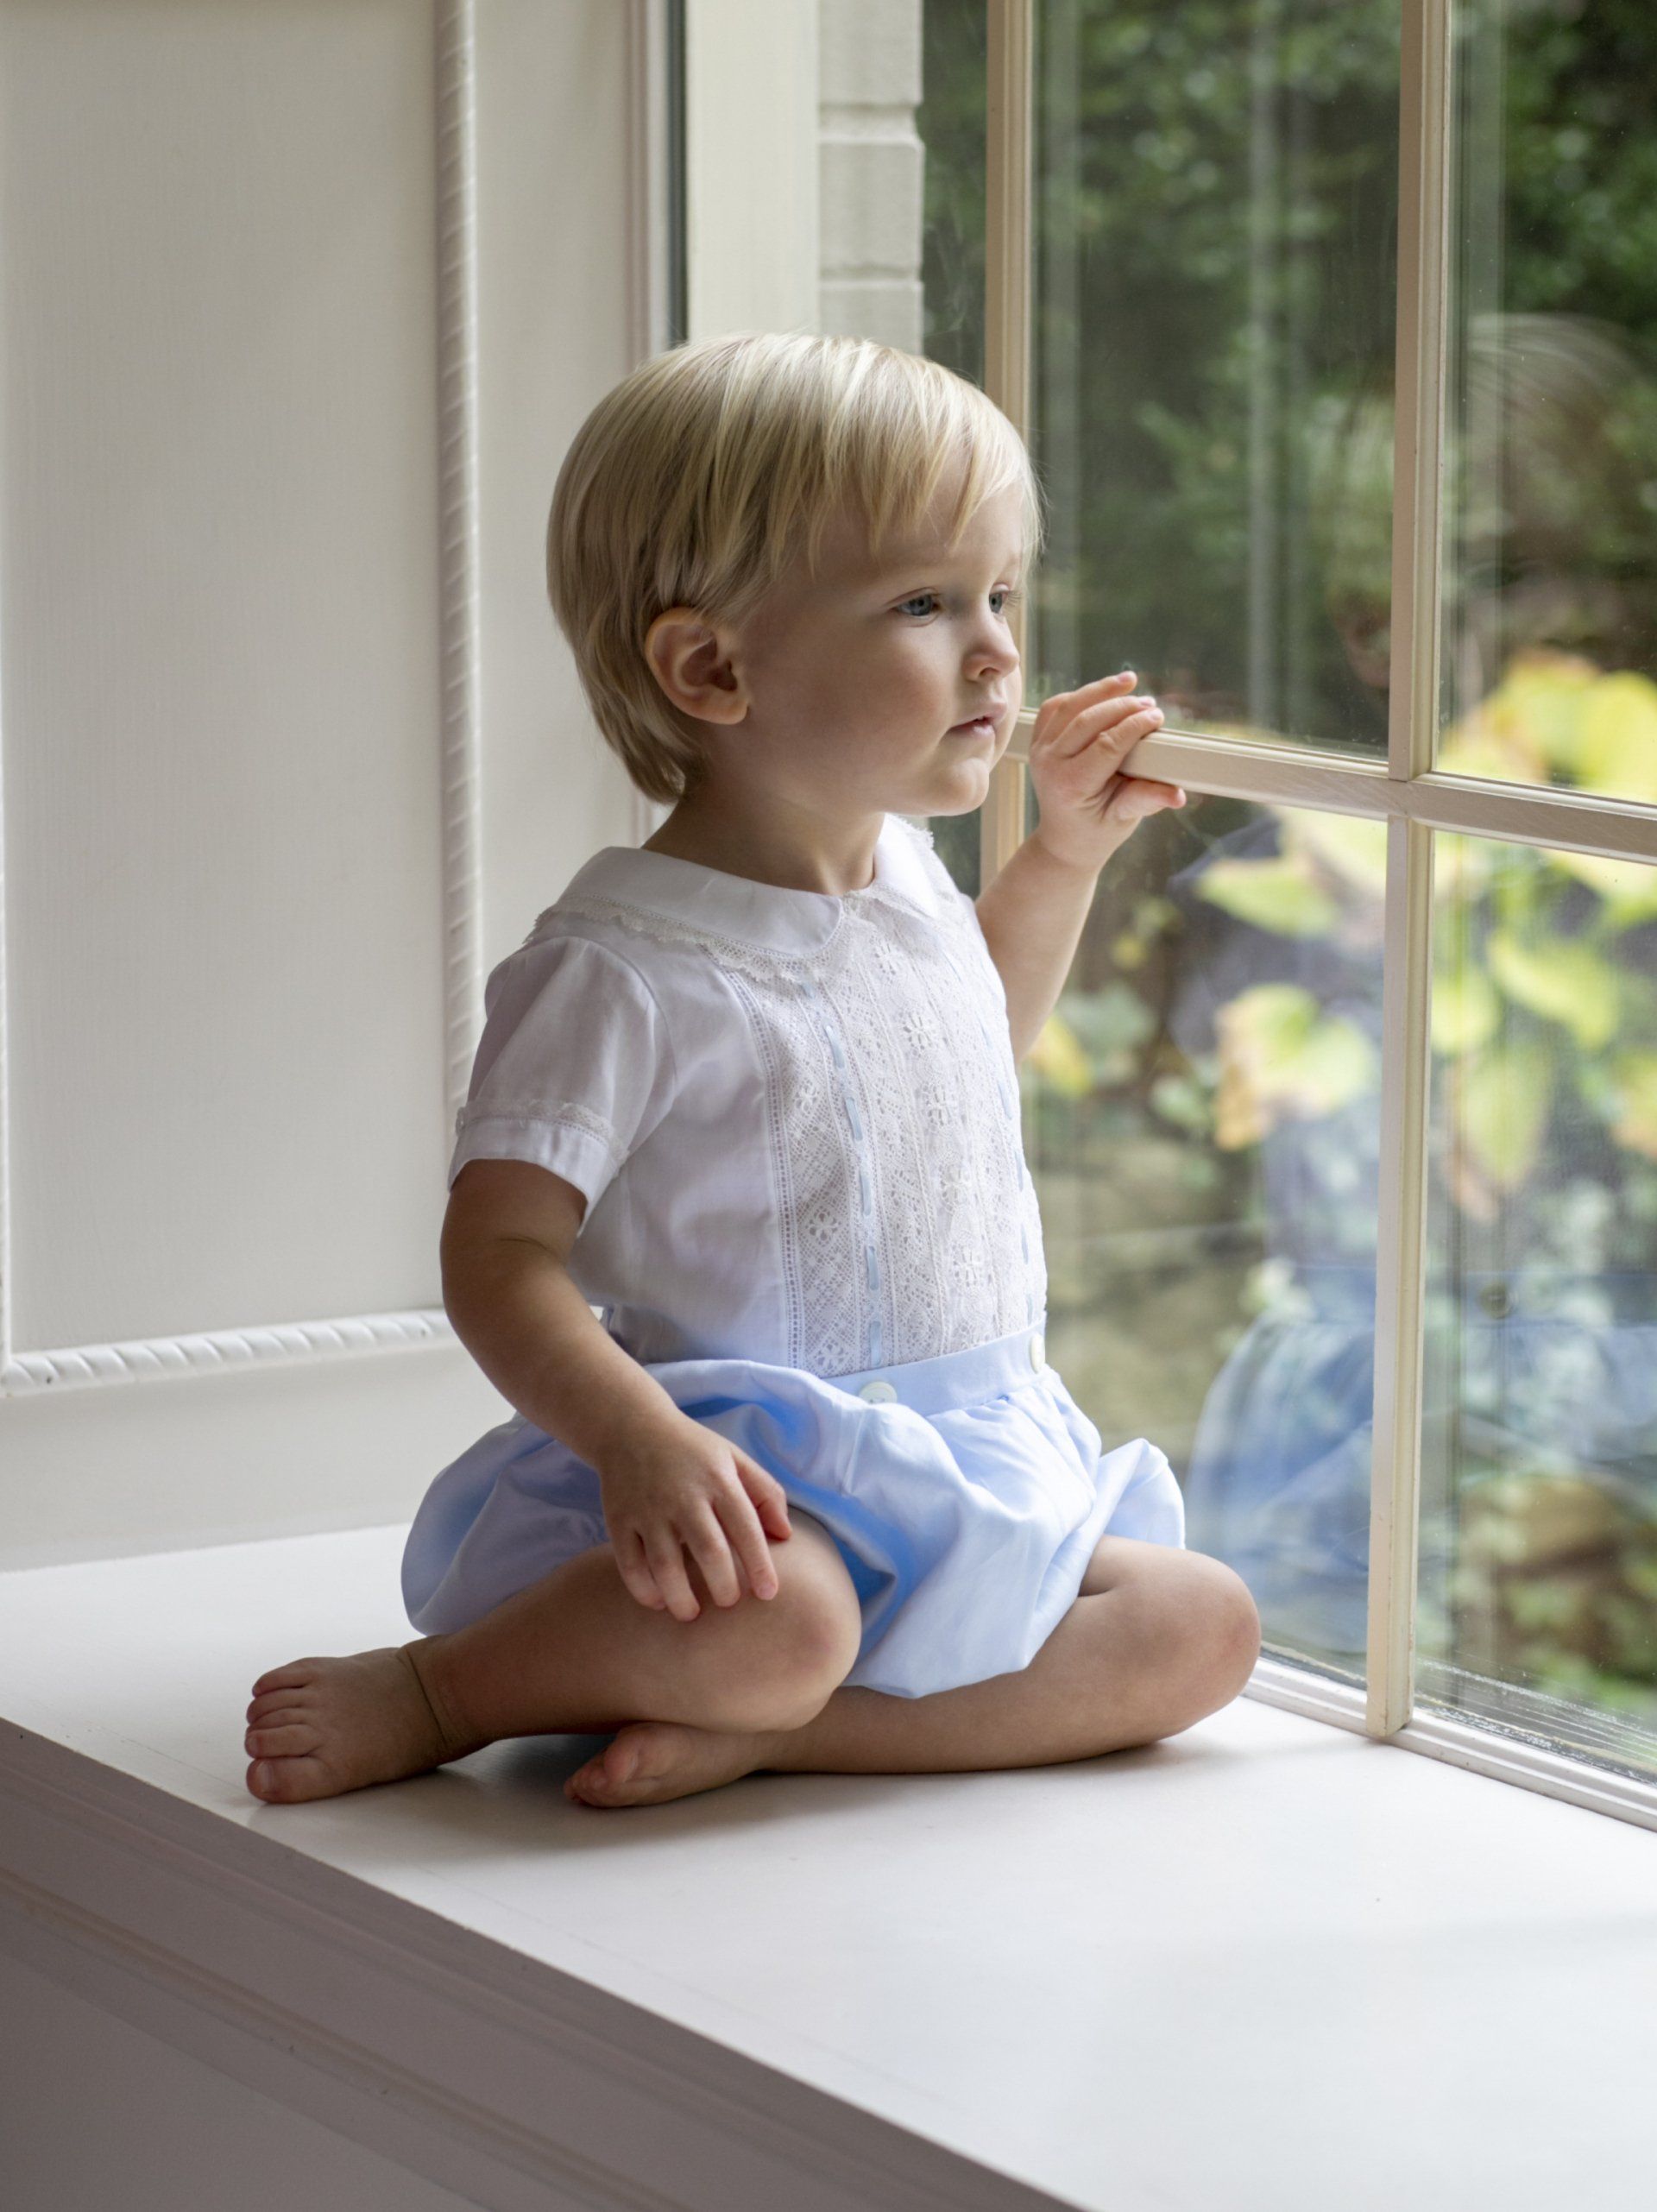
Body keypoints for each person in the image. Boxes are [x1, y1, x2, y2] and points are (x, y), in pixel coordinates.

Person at [243, 331, 1261, 1812]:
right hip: (744, 1498)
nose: (995, 650)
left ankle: (789, 1734)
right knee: (780, 1621)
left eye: (999, 594)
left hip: (961, 1466)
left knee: (1201, 1626)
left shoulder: (906, 883)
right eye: (924, 603)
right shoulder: (620, 966)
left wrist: (1062, 858)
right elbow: (499, 1254)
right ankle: (442, 1691)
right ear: (712, 666)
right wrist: (637, 1444)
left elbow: (973, 1041)